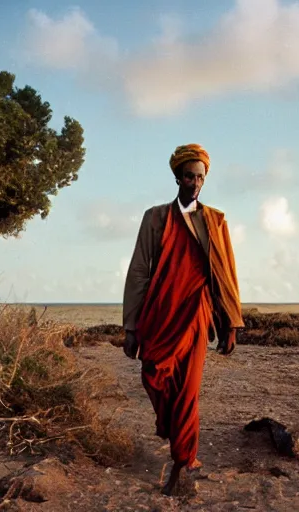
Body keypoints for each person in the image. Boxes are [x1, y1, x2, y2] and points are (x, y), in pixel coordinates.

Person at [122, 143, 244, 495]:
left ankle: (183, 461)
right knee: (153, 376)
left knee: (188, 392)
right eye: (189, 176)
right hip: (158, 317)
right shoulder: (155, 217)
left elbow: (225, 274)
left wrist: (231, 324)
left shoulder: (216, 221)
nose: (195, 182)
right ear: (177, 176)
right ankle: (174, 432)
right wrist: (130, 327)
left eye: (201, 177)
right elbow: (139, 271)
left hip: (195, 316)